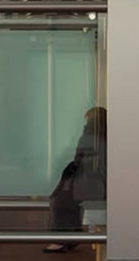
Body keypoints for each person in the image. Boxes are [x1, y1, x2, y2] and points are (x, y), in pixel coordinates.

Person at [43, 106, 106, 252]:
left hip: (91, 182)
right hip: (95, 182)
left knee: (59, 200)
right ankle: (69, 236)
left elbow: (79, 159)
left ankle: (63, 239)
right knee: (63, 197)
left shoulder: (89, 137)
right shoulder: (104, 137)